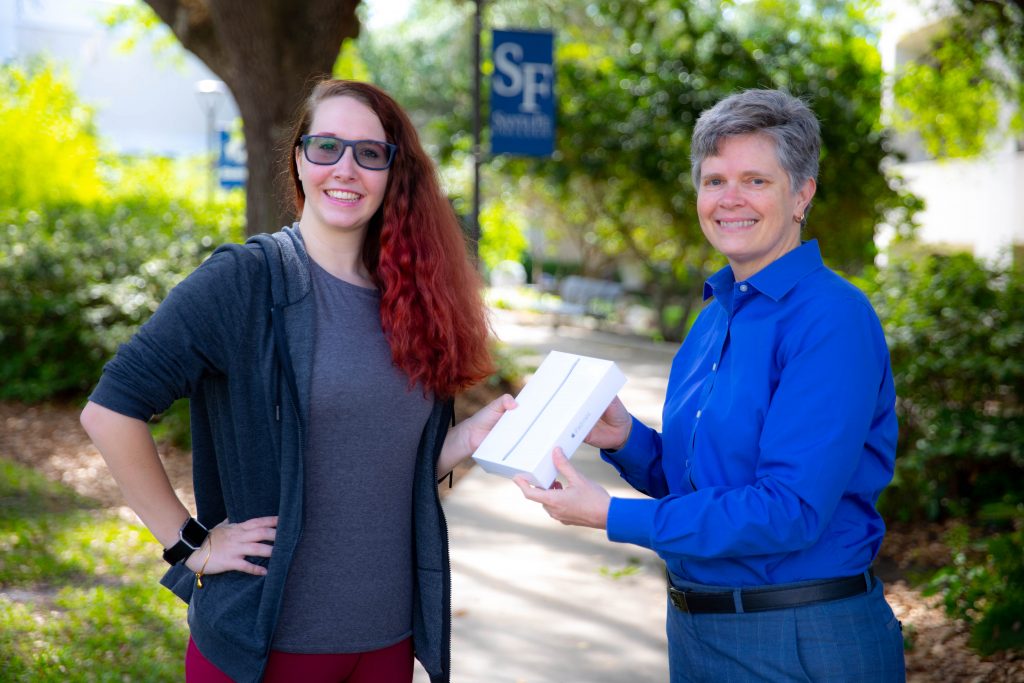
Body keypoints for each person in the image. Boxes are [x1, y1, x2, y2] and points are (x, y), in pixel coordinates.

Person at [80, 79, 514, 683]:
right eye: (326, 147)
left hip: (387, 640)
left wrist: (462, 443)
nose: (346, 168)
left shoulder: (411, 300)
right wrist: (191, 545)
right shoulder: (244, 281)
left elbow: (373, 461)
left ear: (393, 172)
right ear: (299, 160)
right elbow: (109, 411)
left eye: (369, 152)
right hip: (269, 646)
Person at [515, 89, 906, 681]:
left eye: (755, 180)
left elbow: (789, 511)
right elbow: (701, 485)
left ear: (802, 194)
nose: (729, 200)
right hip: (698, 633)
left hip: (801, 639)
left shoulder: (832, 318)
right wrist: (627, 441)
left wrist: (611, 515)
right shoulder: (712, 318)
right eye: (714, 180)